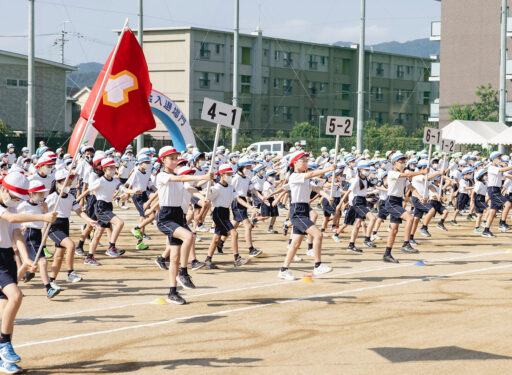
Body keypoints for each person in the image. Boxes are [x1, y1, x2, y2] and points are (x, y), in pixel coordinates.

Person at [0, 172, 57, 373]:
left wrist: (25, 259)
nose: (15, 201)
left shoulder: (11, 205)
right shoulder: (6, 207)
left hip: (6, 257)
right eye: (14, 197)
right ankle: (4, 344)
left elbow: (16, 233)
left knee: (8, 310)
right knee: (16, 296)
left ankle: (4, 357)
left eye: (18, 198)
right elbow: (11, 217)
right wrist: (42, 216)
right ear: (4, 190)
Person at [155, 146, 212, 305]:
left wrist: (203, 193)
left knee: (174, 257)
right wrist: (204, 176)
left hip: (178, 216)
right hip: (165, 217)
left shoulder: (178, 176)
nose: (174, 160)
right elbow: (179, 179)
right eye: (171, 158)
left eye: (175, 158)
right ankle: (184, 272)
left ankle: (172, 293)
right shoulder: (162, 175)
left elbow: (191, 188)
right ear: (163, 160)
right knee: (189, 236)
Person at [278, 151, 335, 280]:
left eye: (306, 161)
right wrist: (328, 169)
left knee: (295, 243)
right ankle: (317, 265)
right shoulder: (294, 176)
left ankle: (283, 270)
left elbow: (316, 188)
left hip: (304, 209)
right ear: (294, 163)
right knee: (318, 234)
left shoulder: (305, 178)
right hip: (297, 211)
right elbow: (313, 173)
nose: (305, 163)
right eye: (303, 161)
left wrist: (327, 196)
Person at [46, 169, 95, 289]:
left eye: (70, 182)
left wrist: (90, 220)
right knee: (71, 245)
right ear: (58, 183)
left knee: (59, 255)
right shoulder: (52, 197)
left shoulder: (71, 197)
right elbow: (43, 212)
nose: (70, 184)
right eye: (67, 182)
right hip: (54, 226)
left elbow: (79, 211)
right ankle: (70, 273)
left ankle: (51, 280)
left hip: (65, 224)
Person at [17, 180, 60, 298]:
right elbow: (14, 217)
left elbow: (49, 220)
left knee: (26, 265)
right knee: (43, 261)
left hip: (37, 235)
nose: (42, 196)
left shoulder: (42, 205)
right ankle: (48, 288)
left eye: (42, 194)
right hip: (29, 234)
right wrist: (21, 226)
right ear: (31, 194)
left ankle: (10, 286)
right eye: (39, 194)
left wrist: (46, 210)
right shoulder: (23, 205)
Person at [205, 164, 253, 269]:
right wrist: (202, 214)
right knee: (234, 233)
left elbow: (238, 199)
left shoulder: (231, 187)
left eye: (231, 174)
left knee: (217, 238)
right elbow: (208, 199)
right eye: (228, 174)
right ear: (222, 175)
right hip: (218, 212)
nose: (231, 176)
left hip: (226, 212)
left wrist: (249, 206)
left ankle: (208, 259)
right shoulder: (216, 188)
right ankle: (237, 258)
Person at [383, 153, 427, 263]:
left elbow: (410, 187)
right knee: (410, 218)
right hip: (391, 201)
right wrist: (421, 172)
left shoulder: (403, 175)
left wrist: (419, 196)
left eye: (404, 162)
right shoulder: (392, 173)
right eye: (401, 161)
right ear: (394, 163)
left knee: (394, 230)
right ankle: (406, 243)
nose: (403, 164)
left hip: (398, 201)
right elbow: (403, 176)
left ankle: (387, 254)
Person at [483, 151, 512, 237]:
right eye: (498, 158)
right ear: (493, 159)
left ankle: (486, 230)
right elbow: (502, 170)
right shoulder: (491, 167)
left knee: (493, 211)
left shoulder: (497, 167)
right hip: (493, 190)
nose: (499, 160)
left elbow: (504, 176)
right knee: (508, 204)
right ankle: (502, 223)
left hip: (497, 190)